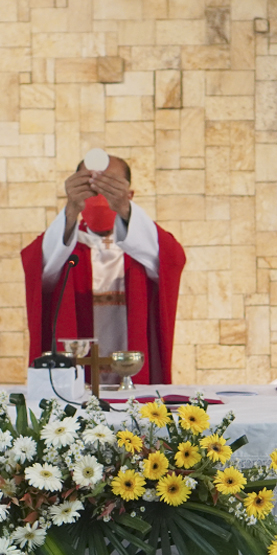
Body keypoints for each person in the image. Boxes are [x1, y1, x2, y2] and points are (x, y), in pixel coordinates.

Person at [21, 155, 186, 385]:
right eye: (91, 186)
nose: (100, 197)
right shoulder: (66, 244)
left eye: (111, 186)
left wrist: (126, 211)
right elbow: (39, 273)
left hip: (133, 370)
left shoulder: (140, 244)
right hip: (79, 377)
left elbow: (173, 260)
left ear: (129, 194)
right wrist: (69, 212)